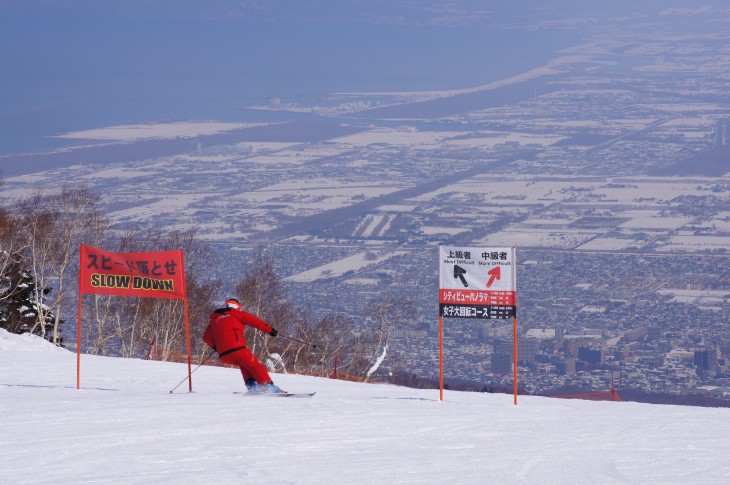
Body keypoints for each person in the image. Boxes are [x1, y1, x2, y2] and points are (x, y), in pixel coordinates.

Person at [203, 298, 284, 393]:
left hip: (224, 355)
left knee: (244, 365)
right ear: (237, 307)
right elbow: (254, 321)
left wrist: (216, 347)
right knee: (255, 366)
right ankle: (268, 387)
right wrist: (270, 330)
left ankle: (252, 386)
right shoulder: (236, 313)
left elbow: (206, 338)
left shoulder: (214, 319)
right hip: (237, 348)